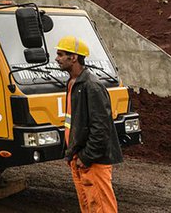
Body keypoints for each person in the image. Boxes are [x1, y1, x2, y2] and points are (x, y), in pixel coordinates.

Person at [56, 36, 122, 213]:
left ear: (74, 57)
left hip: (93, 161)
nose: (57, 59)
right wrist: (71, 154)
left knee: (101, 208)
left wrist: (87, 157)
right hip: (79, 157)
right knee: (88, 207)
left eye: (61, 54)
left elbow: (101, 128)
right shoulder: (72, 83)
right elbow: (73, 122)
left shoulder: (92, 86)